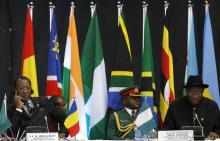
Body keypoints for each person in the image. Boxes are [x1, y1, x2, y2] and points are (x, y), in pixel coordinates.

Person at [163, 75, 220, 140]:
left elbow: (218, 128)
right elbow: (166, 130)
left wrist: (216, 133)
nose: (194, 96)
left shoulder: (212, 106)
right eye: (191, 92)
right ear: (186, 91)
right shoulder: (175, 105)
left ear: (203, 91)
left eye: (198, 92)